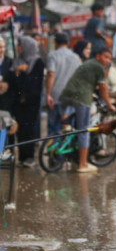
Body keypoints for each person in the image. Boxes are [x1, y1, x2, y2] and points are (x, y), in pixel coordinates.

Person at [60, 48, 116, 173]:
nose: (107, 60)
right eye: (105, 57)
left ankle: (66, 136)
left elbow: (85, 82)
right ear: (98, 56)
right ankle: (83, 164)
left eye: (109, 58)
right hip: (81, 98)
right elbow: (103, 89)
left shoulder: (88, 63)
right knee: (84, 130)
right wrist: (110, 105)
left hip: (67, 95)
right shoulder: (99, 68)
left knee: (71, 125)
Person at [12, 36, 45, 167]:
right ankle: (22, 156)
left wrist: (24, 73)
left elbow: (35, 83)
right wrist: (18, 72)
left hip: (31, 102)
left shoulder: (37, 62)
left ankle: (29, 157)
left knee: (28, 129)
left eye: (20, 46)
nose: (18, 48)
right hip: (18, 103)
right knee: (19, 130)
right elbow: (14, 81)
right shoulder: (17, 62)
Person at [45, 32, 83, 135]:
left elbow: (50, 74)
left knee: (53, 128)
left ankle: (52, 149)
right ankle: (65, 149)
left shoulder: (52, 55)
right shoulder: (76, 57)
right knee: (67, 128)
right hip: (70, 97)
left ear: (55, 43)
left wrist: (48, 94)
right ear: (68, 43)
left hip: (55, 97)